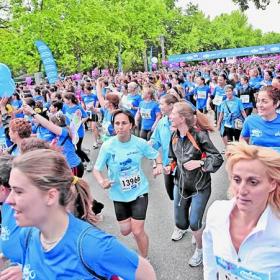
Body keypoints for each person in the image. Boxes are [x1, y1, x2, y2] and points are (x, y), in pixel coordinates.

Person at [6, 149, 156, 279]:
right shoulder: (27, 235)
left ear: (51, 196)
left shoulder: (93, 246)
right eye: (11, 189)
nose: (9, 200)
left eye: (18, 191)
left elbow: (146, 273)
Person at [203, 142, 280, 279]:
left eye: (253, 182)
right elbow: (210, 263)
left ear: (272, 184)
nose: (242, 191)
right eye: (237, 180)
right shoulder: (216, 213)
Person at [93, 109, 162, 258]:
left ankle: (144, 258)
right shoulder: (108, 146)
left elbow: (156, 155)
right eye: (117, 123)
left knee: (137, 230)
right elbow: (96, 169)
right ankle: (137, 236)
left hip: (139, 191)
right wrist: (101, 181)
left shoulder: (139, 143)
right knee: (125, 231)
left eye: (124, 123)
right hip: (118, 194)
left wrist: (159, 165)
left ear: (131, 125)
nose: (120, 126)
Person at [167, 101, 223, 267]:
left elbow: (217, 158)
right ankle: (197, 229)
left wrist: (199, 163)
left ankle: (200, 249)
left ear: (182, 118)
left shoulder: (199, 135)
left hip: (200, 186)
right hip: (181, 184)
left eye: (173, 114)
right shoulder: (175, 135)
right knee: (181, 224)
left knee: (194, 223)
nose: (170, 116)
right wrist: (167, 168)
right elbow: (173, 159)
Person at [0, 155, 22, 280]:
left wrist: (25, 269)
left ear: (3, 189)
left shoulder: (28, 211)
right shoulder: (6, 205)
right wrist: (3, 256)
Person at [240, 86, 280, 153]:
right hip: (257, 162)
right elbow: (243, 140)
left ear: (276, 103)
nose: (259, 105)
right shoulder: (250, 120)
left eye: (264, 101)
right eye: (258, 101)